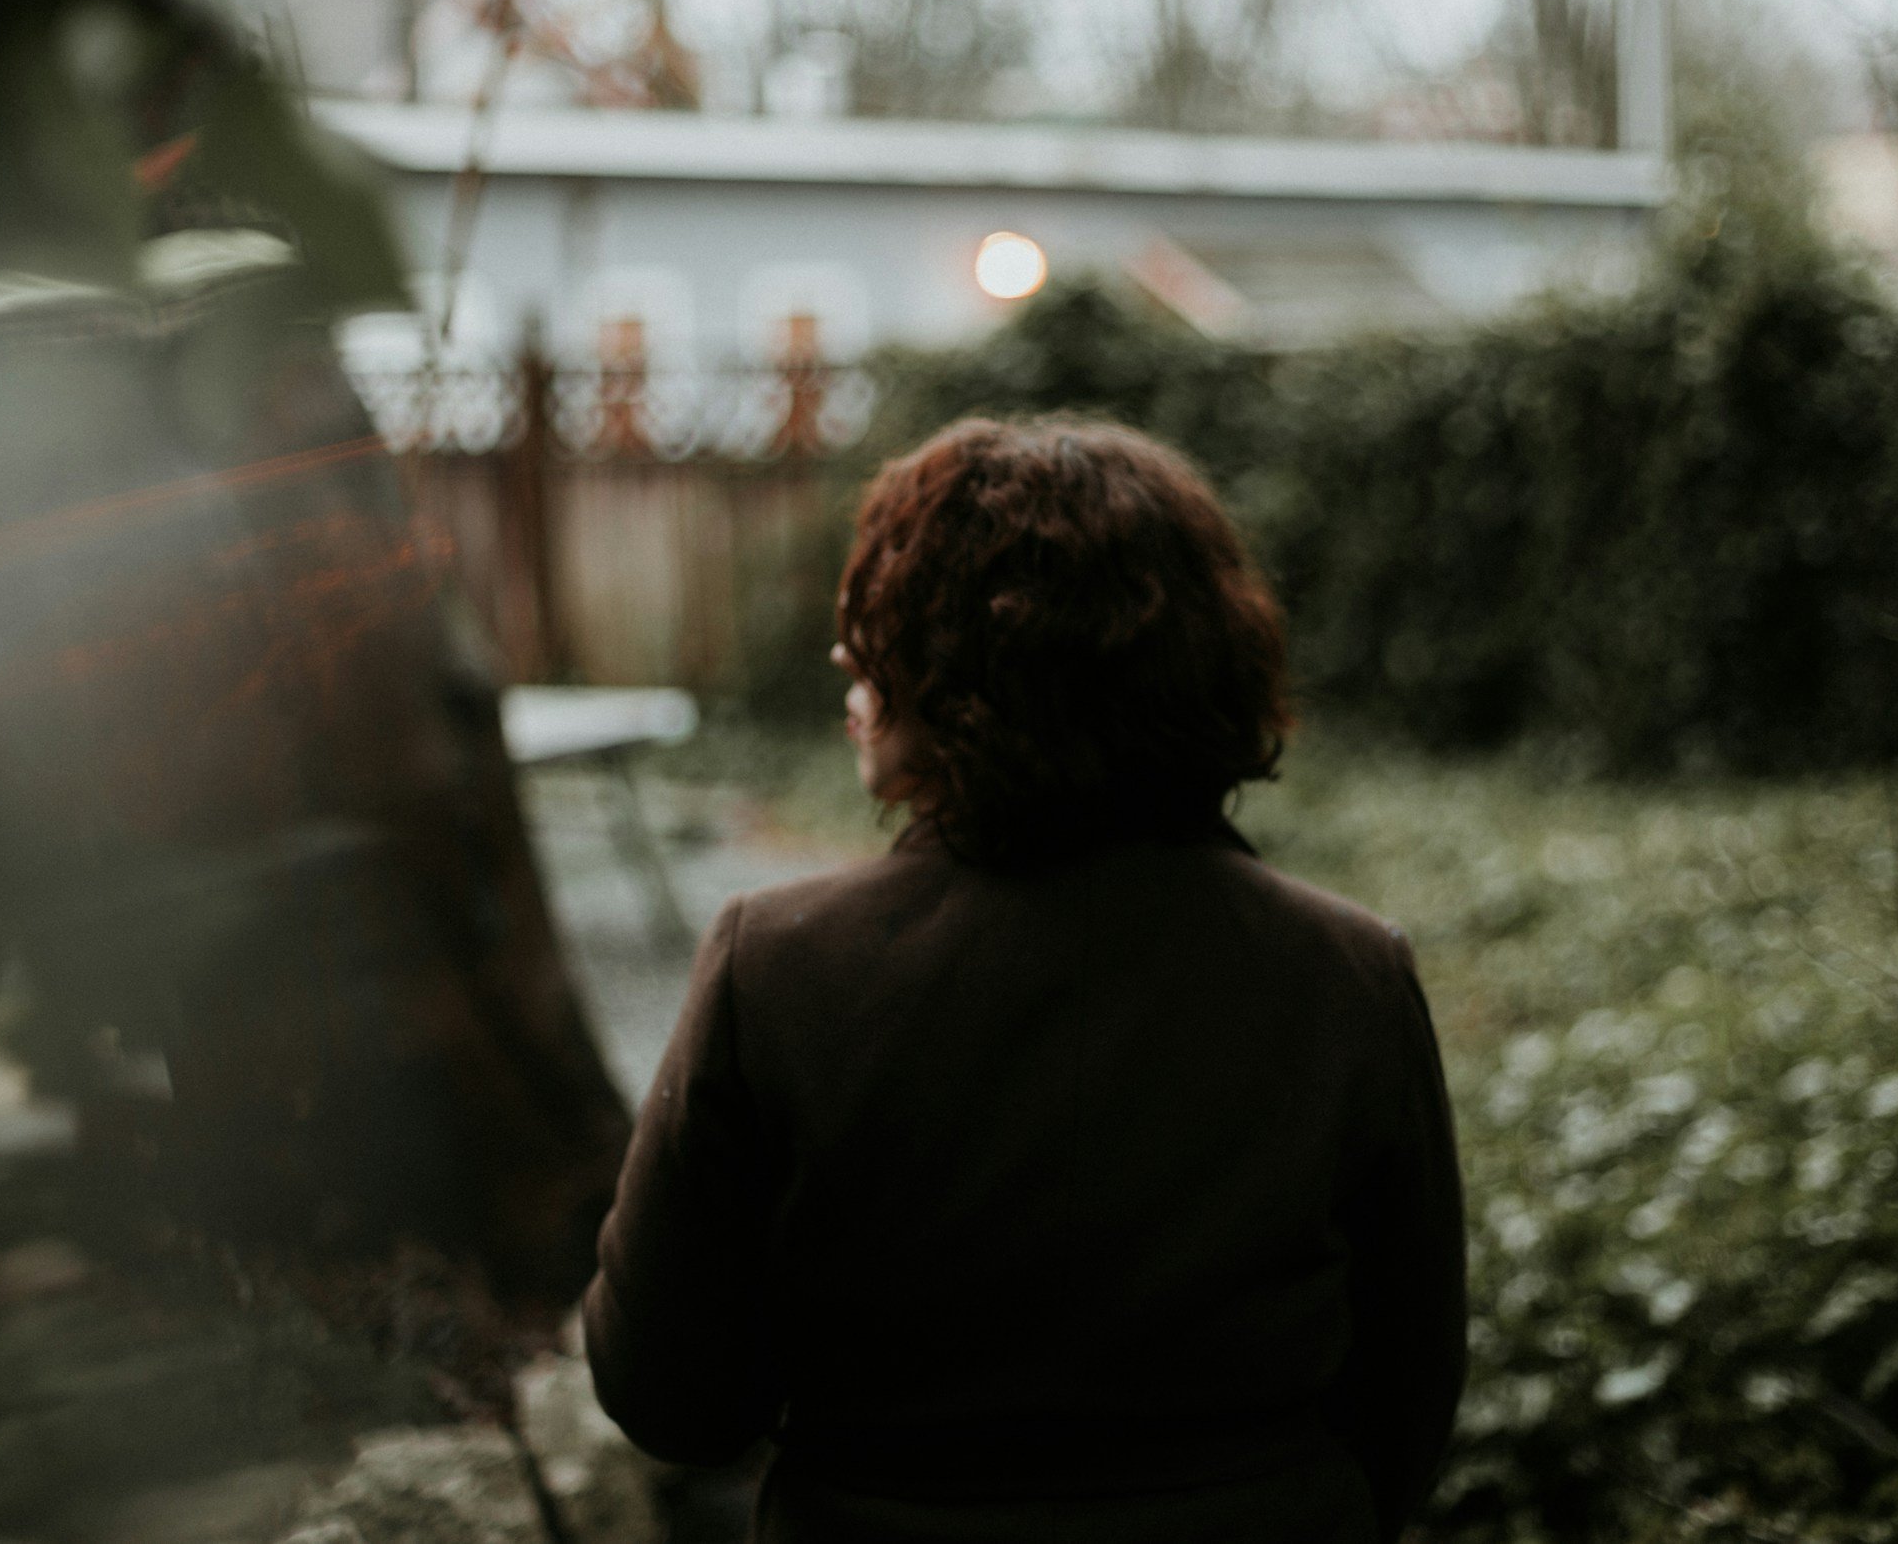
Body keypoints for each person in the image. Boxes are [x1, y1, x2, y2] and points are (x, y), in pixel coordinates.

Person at [583, 416, 1466, 1543]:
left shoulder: (777, 965)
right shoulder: (1349, 973)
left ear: (972, 678)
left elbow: (667, 1390)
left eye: (885, 626)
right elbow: (1409, 1384)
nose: (846, 658)